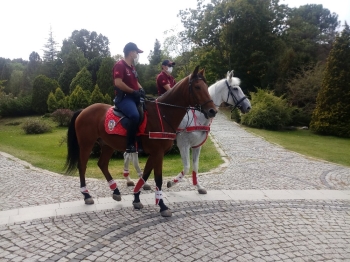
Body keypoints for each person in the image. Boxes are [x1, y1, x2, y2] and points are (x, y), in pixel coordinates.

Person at [112, 42, 144, 153]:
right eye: (136, 52)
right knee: (134, 115)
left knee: (148, 112)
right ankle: (130, 144)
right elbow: (118, 83)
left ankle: (140, 140)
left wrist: (141, 89)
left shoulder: (132, 67)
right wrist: (133, 91)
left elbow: (136, 82)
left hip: (134, 97)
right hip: (124, 98)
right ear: (131, 53)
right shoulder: (120, 65)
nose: (137, 55)